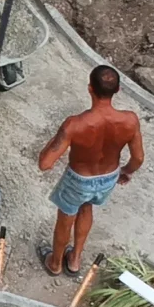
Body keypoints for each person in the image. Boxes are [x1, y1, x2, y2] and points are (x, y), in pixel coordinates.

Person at [36, 64, 143, 277]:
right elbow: (138, 158)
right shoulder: (130, 120)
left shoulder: (75, 124)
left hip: (79, 179)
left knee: (66, 218)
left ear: (90, 89)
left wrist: (61, 134)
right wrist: (125, 172)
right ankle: (75, 259)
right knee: (86, 208)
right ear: (118, 90)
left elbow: (45, 163)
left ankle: (55, 263)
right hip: (108, 176)